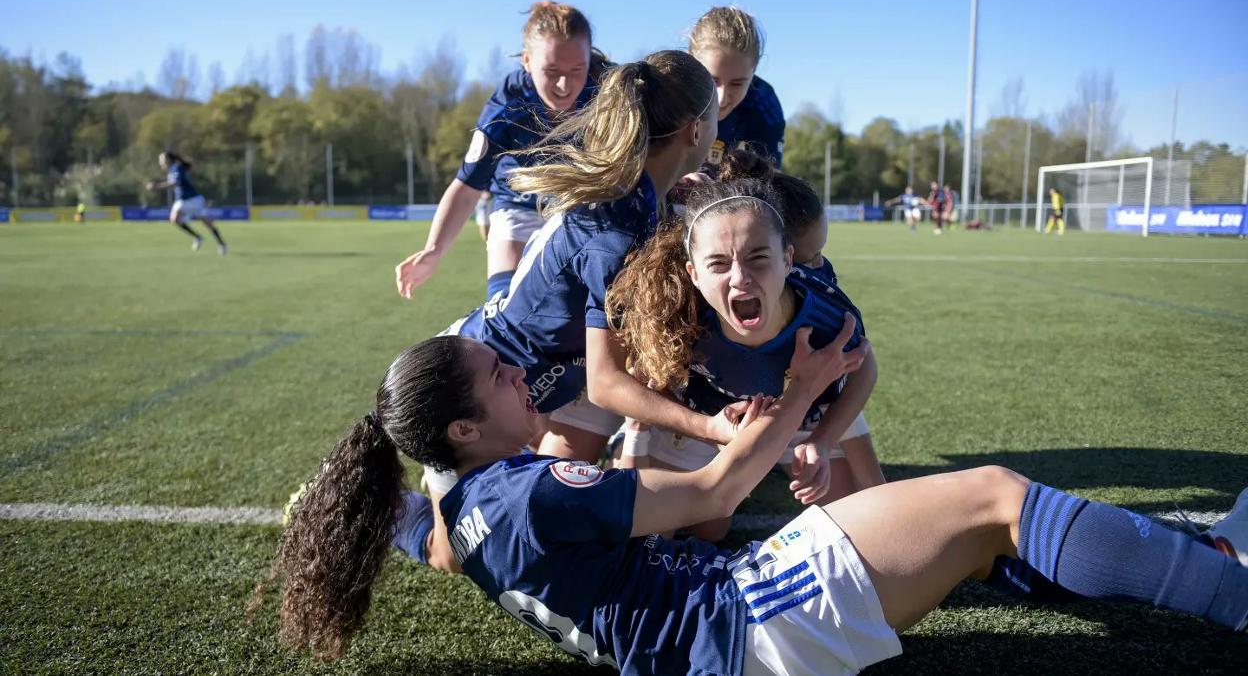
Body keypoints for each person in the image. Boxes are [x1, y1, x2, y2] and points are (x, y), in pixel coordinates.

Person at [256, 333, 1248, 675]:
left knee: (971, 537)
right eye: (497, 377)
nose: (519, 374)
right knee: (990, 495)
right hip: (742, 630)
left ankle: (1196, 559)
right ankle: (1227, 582)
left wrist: (350, 504)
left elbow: (420, 524)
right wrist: (805, 386)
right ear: (463, 432)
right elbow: (719, 490)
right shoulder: (525, 499)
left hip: (723, 629)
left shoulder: (460, 512)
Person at [387, 50, 740, 571]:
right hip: (478, 389)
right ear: (693, 130)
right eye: (713, 117)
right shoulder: (615, 231)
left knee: (553, 523)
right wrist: (708, 426)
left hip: (551, 376)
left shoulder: (636, 194)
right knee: (458, 555)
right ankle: (397, 513)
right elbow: (607, 383)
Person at [607, 173, 885, 541]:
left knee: (862, 521)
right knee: (697, 531)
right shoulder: (675, 313)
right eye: (719, 264)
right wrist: (679, 432)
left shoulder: (827, 317)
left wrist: (821, 440)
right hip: (703, 413)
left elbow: (864, 367)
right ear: (693, 273)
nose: (740, 278)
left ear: (788, 259)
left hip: (801, 406)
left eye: (757, 258)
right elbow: (641, 380)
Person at [395, 1, 606, 301]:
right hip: (519, 210)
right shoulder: (507, 104)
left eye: (577, 70)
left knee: (585, 316)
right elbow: (468, 186)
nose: (564, 84)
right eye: (551, 70)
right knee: (507, 308)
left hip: (581, 212)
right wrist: (434, 250)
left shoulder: (609, 91)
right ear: (527, 60)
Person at [689, 6, 785, 171]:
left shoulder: (764, 108)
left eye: (737, 84)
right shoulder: (667, 94)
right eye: (712, 80)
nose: (722, 98)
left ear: (753, 72)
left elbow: (768, 185)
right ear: (690, 63)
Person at [145, 150, 227, 255]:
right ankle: (198, 237)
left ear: (168, 160)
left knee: (207, 223)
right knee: (174, 219)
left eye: (161, 159)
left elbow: (174, 183)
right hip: (182, 200)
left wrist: (156, 186)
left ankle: (221, 244)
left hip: (193, 199)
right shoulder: (172, 169)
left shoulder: (176, 168)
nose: (160, 162)